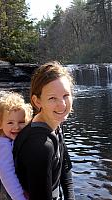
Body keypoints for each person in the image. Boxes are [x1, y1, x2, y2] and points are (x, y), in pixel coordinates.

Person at [13, 61, 75, 200]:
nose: (62, 105)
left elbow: (65, 168)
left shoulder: (55, 122)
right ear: (37, 101)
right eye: (52, 98)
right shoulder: (40, 147)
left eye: (66, 95)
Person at [0, 91, 33, 200]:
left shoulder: (9, 137)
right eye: (10, 123)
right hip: (9, 192)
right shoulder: (2, 147)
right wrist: (20, 197)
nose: (16, 127)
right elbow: (8, 176)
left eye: (21, 122)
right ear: (0, 124)